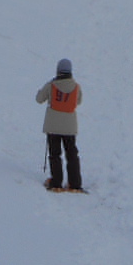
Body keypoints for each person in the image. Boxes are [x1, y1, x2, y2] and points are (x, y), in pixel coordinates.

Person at [36, 58, 83, 192]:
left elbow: (39, 99)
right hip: (70, 126)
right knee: (72, 154)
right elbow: (78, 101)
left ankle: (56, 182)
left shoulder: (52, 85)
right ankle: (75, 183)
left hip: (53, 125)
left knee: (55, 153)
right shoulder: (76, 86)